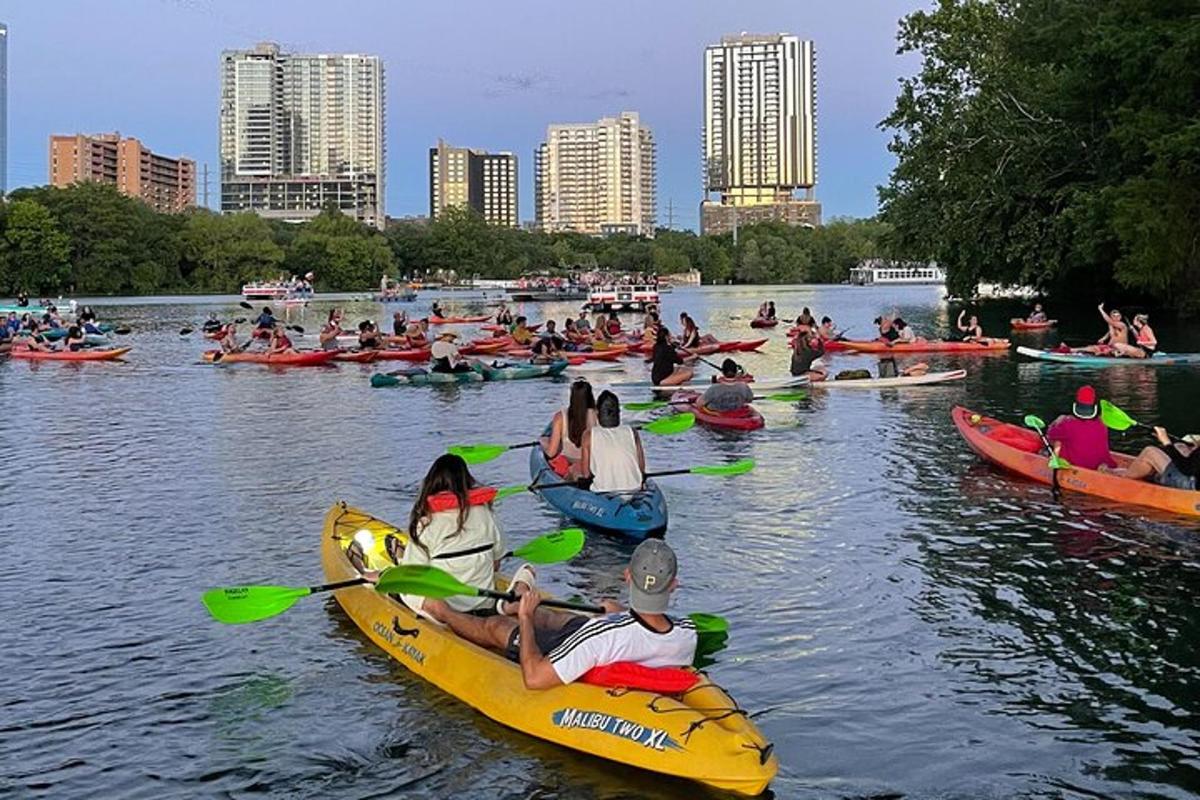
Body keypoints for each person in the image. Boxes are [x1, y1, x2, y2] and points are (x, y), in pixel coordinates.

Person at [420, 539, 697, 690]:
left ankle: (442, 610)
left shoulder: (600, 635)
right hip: (608, 631)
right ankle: (521, 603)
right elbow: (644, 631)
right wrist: (621, 613)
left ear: (627, 577)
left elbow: (535, 678)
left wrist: (526, 618)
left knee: (496, 626)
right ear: (673, 584)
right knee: (550, 616)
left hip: (594, 642)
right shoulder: (688, 633)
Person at [386, 454, 510, 615]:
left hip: (445, 609)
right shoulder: (487, 514)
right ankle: (401, 556)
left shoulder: (426, 523)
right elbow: (495, 565)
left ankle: (399, 558)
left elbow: (413, 576)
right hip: (484, 604)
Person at [580, 390, 646, 492]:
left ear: (598, 412)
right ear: (618, 412)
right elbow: (641, 469)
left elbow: (585, 473)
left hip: (603, 491)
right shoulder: (632, 432)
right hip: (634, 488)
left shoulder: (588, 435)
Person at [1046, 386, 1117, 470]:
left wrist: (1057, 421)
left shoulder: (1066, 423)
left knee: (1059, 439)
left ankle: (1055, 459)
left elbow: (1050, 435)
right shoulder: (1102, 423)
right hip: (1099, 464)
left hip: (1076, 465)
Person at [540, 380, 598, 478]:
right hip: (591, 462)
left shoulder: (560, 417)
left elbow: (551, 453)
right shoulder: (598, 415)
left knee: (545, 440)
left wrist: (542, 442)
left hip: (569, 460)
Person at [1117, 428, 1199, 490]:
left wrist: (1166, 442)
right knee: (1180, 447)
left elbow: (1186, 469)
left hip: (1190, 484)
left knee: (1150, 452)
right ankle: (1150, 473)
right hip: (1193, 478)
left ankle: (1123, 478)